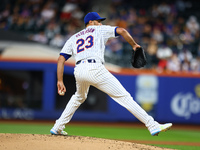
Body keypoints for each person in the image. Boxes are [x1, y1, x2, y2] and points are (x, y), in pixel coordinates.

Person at [50, 12, 172, 136]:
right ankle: (152, 125)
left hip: (79, 70)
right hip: (95, 68)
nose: (100, 23)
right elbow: (122, 30)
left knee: (78, 97)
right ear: (90, 22)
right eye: (98, 21)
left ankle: (57, 126)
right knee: (124, 97)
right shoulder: (99, 29)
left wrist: (60, 80)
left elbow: (61, 59)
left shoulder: (74, 37)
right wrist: (134, 45)